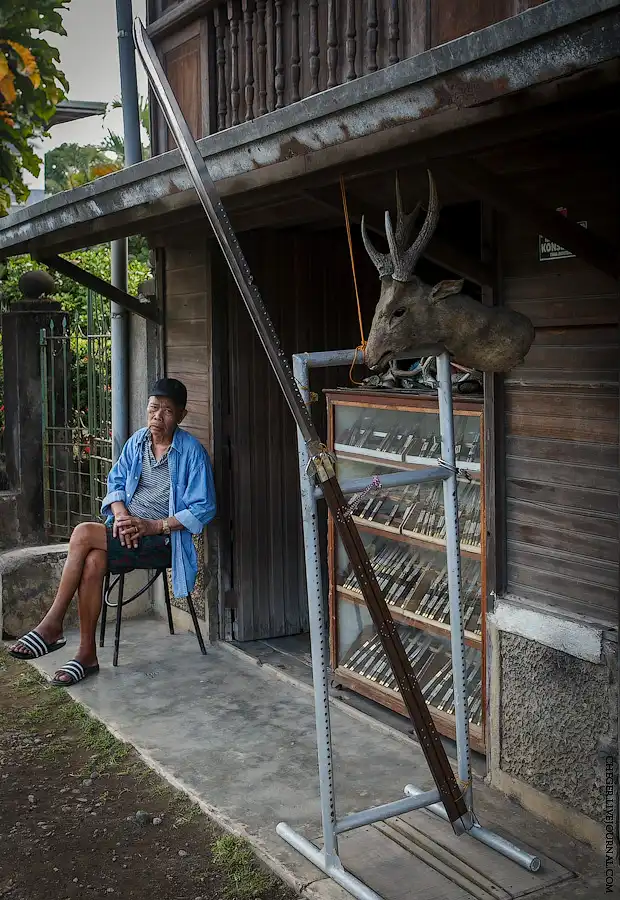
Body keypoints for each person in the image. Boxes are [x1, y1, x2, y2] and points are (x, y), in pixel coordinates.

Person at [9, 378, 216, 686]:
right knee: (92, 562)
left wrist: (152, 526)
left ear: (182, 416)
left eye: (167, 411)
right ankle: (86, 655)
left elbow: (204, 508)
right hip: (125, 533)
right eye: (153, 408)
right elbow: (115, 483)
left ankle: (52, 624)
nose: (158, 417)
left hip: (163, 541)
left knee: (82, 533)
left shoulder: (191, 454)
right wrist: (121, 517)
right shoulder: (137, 443)